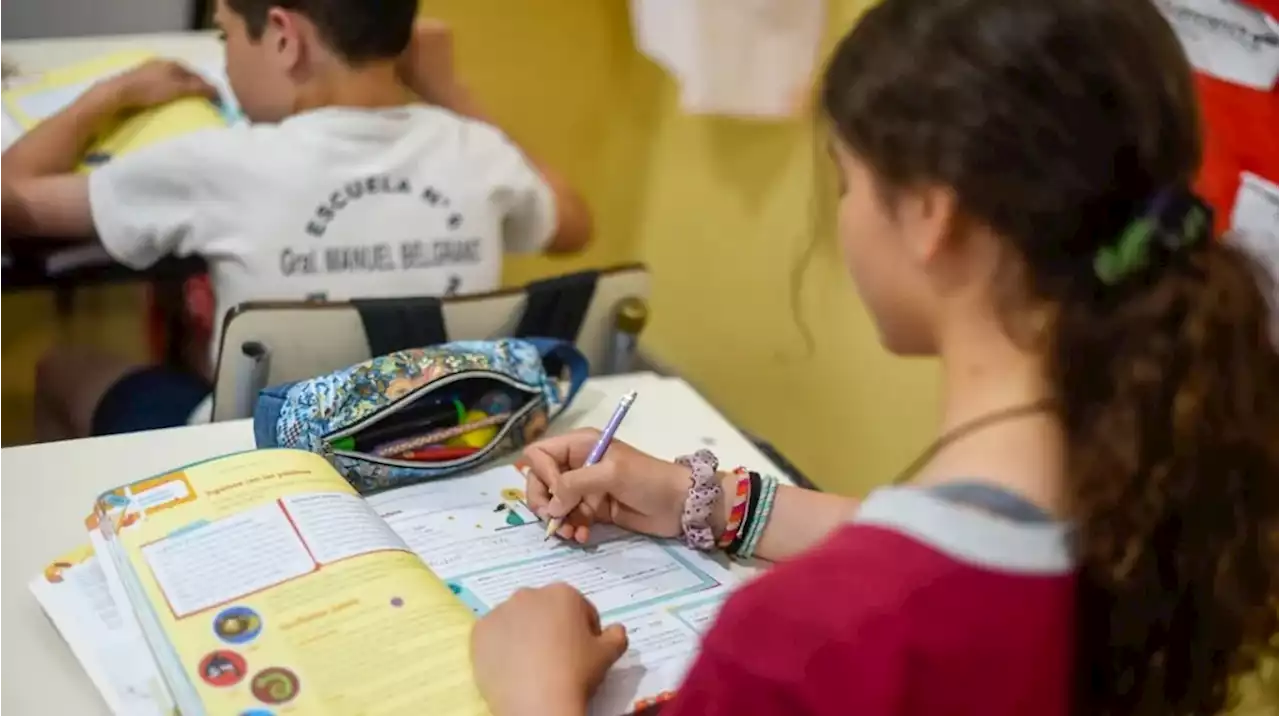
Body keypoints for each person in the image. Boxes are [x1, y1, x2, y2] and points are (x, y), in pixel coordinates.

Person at [470, 0, 1280, 714]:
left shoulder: (808, 641)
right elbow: (967, 569)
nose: (845, 213)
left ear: (931, 215)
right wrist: (701, 498)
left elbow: (907, 601)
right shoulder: (1159, 498)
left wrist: (533, 689)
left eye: (848, 180)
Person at [0, 1, 591, 441]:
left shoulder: (220, 161)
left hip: (258, 454)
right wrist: (449, 88)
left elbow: (14, 198)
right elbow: (573, 225)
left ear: (283, 38)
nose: (226, 63)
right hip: (439, 436)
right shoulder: (478, 152)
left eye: (226, 36)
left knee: (62, 368)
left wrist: (110, 95)